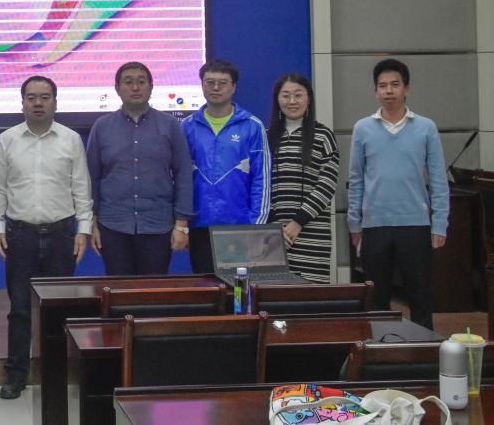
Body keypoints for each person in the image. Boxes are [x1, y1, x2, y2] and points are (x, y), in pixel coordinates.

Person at [0, 75, 92, 399]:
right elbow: (0, 189)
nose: (38, 103)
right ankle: (16, 374)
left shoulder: (71, 139)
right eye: (32, 97)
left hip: (62, 234)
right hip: (20, 234)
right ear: (22, 103)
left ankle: (56, 373)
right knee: (20, 308)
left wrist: (83, 230)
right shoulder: (7, 139)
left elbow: (81, 188)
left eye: (45, 97)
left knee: (58, 309)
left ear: (55, 102)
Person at [348, 59, 449, 329]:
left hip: (415, 224)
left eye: (395, 84)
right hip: (374, 225)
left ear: (407, 89)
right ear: (375, 92)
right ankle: (382, 349)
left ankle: (424, 349)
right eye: (382, 86)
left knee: (420, 296)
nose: (389, 90)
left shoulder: (426, 127)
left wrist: (440, 223)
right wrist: (354, 224)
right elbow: (356, 179)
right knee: (377, 299)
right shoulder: (362, 128)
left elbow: (438, 179)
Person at [85, 62, 193, 275]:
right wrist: (92, 223)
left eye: (141, 82)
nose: (135, 87)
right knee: (118, 290)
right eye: (128, 82)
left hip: (158, 224)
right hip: (112, 225)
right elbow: (92, 177)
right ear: (117, 88)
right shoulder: (102, 126)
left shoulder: (170, 125)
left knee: (152, 290)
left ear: (151, 87)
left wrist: (182, 225)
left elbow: (183, 175)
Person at [182, 59, 270, 273]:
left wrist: (256, 226)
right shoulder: (187, 127)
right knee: (205, 288)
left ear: (234, 87)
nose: (215, 88)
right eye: (209, 82)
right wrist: (182, 224)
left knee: (238, 289)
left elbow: (262, 178)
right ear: (202, 84)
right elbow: (178, 179)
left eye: (222, 83)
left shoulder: (252, 126)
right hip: (199, 226)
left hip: (239, 227)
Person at [266, 73, 340, 283]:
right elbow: (259, 186)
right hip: (272, 236)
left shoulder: (323, 136)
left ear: (308, 98)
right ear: (277, 99)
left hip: (312, 234)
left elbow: (327, 185)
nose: (292, 101)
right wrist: (273, 229)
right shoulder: (265, 136)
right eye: (285, 95)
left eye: (298, 95)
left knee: (310, 294)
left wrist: (298, 222)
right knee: (272, 292)